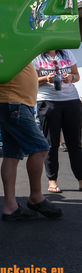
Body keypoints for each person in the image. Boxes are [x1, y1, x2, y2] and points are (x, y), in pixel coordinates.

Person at [0, 62, 62, 220]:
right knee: (40, 147)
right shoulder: (11, 40)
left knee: (12, 153)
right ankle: (36, 197)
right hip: (12, 102)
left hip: (14, 101)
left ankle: (10, 207)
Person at [33, 49, 82, 193]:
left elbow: (77, 75)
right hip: (47, 101)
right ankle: (52, 180)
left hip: (71, 100)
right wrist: (45, 79)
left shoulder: (67, 53)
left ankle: (80, 179)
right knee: (51, 143)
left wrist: (70, 77)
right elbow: (31, 80)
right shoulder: (36, 56)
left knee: (75, 143)